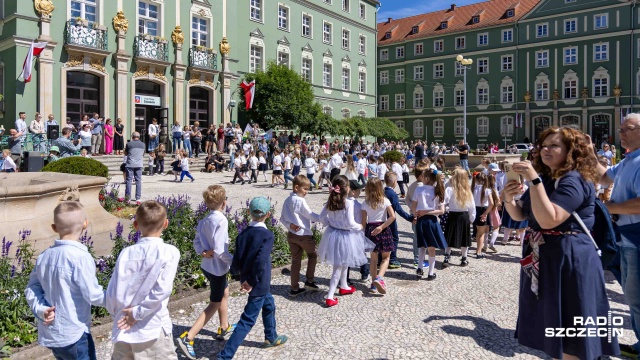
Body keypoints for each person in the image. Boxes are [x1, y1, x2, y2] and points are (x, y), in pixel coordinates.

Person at [504, 126, 619, 360]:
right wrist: (508, 197)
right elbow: (520, 215)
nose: (546, 150)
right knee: (556, 325)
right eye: (543, 145)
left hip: (570, 258)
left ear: (570, 151)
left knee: (572, 332)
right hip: (549, 257)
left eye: (554, 145)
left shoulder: (574, 180)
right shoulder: (547, 178)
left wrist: (533, 180)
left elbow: (549, 219)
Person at [25, 202, 106, 360]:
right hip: (74, 333)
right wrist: (117, 299)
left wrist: (41, 309)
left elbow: (32, 288)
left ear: (54, 227)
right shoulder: (80, 257)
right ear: (85, 224)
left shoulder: (44, 256)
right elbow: (93, 295)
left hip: (52, 334)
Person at [106, 201, 180, 359]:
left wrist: (116, 312)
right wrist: (137, 313)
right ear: (166, 224)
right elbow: (162, 290)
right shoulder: (169, 252)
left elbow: (113, 289)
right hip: (152, 327)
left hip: (122, 326)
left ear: (135, 225)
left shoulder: (126, 253)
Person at [217, 197, 288, 359]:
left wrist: (239, 276)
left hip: (249, 279)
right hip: (258, 282)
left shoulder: (243, 234)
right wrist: (251, 281)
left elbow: (237, 257)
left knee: (269, 305)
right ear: (268, 214)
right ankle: (224, 356)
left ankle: (271, 336)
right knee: (247, 320)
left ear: (248, 212)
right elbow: (260, 261)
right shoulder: (267, 235)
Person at [594, 114, 640, 358]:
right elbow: (603, 177)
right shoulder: (628, 159)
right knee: (632, 295)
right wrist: (588, 152)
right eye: (621, 129)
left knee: (636, 296)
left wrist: (609, 208)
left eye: (628, 129)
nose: (621, 133)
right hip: (627, 235)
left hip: (636, 235)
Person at [178, 186, 236, 359]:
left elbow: (197, 242)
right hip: (218, 268)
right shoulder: (221, 220)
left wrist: (202, 252)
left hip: (207, 266)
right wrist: (234, 262)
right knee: (215, 303)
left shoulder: (204, 220)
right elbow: (220, 250)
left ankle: (223, 326)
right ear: (224, 202)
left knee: (224, 291)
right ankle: (189, 337)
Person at [317, 176, 373, 306]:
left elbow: (321, 218)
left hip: (333, 233)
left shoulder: (330, 201)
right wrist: (360, 226)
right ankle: (330, 296)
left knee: (344, 262)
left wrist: (330, 223)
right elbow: (350, 222)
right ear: (347, 188)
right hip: (346, 235)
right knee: (338, 266)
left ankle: (344, 286)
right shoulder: (348, 203)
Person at [280, 175, 321, 296]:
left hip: (292, 235)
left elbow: (282, 218)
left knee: (295, 261)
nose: (306, 192)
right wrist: (322, 218)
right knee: (313, 255)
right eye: (305, 189)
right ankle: (309, 280)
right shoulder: (300, 200)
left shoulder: (287, 200)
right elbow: (309, 215)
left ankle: (294, 288)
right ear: (296, 187)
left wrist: (290, 225)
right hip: (304, 235)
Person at [361, 178, 396, 294]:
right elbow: (392, 217)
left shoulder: (365, 203)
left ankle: (373, 284)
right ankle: (379, 278)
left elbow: (363, 223)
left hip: (371, 230)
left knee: (373, 259)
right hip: (383, 228)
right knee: (386, 257)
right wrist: (381, 227)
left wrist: (365, 234)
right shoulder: (385, 201)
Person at [412, 168, 447, 280]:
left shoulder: (419, 190)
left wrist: (416, 214)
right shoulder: (438, 190)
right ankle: (431, 273)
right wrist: (428, 211)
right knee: (432, 247)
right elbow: (441, 211)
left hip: (421, 220)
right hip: (432, 221)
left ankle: (420, 267)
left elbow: (413, 206)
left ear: (426, 178)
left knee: (422, 245)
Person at [442, 168, 476, 267]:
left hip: (452, 215)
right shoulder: (467, 191)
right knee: (464, 238)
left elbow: (443, 202)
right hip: (464, 216)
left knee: (449, 237)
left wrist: (444, 210)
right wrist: (471, 218)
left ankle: (447, 257)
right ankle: (464, 259)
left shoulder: (449, 189)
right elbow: (472, 207)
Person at [383, 172, 414, 270]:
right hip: (391, 220)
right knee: (394, 239)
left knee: (383, 239)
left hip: (382, 219)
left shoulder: (382, 191)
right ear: (394, 182)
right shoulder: (392, 194)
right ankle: (392, 259)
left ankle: (381, 259)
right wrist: (410, 218)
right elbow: (398, 209)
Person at [471, 172, 494, 258]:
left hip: (474, 209)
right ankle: (478, 251)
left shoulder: (472, 189)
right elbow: (491, 203)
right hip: (483, 210)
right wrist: (485, 213)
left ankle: (478, 249)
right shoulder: (487, 190)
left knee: (477, 232)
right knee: (481, 233)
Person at [124, 132, 145, 203]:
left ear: (132, 136)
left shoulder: (129, 144)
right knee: (138, 181)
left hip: (130, 163)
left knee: (129, 180)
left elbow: (126, 153)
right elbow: (143, 154)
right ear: (139, 137)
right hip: (139, 164)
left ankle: (128, 198)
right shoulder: (143, 144)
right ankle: (138, 198)